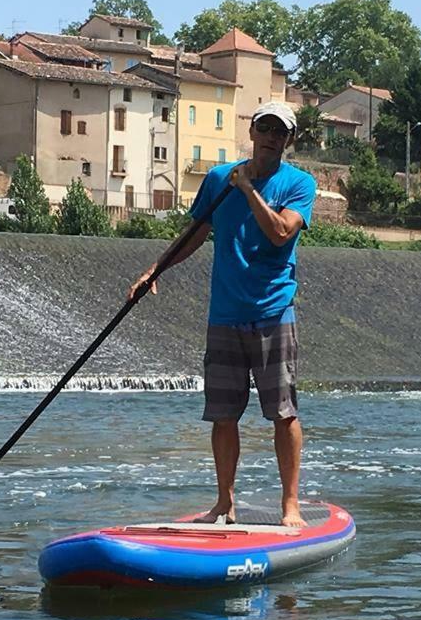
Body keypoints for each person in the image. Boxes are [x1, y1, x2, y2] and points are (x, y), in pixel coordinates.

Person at [127, 101, 317, 527]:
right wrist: (153, 271)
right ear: (252, 130)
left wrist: (248, 189)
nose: (271, 136)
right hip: (225, 314)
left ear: (288, 140)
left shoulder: (299, 184)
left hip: (273, 312)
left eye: (280, 132)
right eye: (264, 127)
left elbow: (281, 232)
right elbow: (195, 233)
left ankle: (291, 505)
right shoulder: (218, 180)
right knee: (223, 414)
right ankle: (224, 503)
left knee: (282, 412)